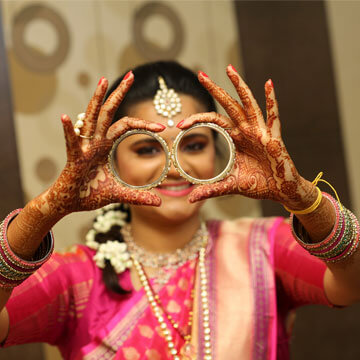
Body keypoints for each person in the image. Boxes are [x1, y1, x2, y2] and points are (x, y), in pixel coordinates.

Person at [0, 61, 359, 360]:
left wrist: (304, 200)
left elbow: (352, 284)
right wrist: (42, 212)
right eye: (146, 149)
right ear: (110, 162)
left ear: (218, 152)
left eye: (194, 144)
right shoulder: (76, 281)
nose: (174, 166)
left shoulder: (264, 249)